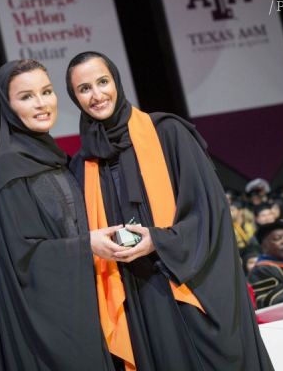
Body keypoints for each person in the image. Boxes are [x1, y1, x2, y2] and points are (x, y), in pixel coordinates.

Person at [66, 51, 272, 370]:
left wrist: (159, 240)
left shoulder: (168, 133)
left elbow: (209, 213)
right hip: (137, 299)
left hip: (186, 283)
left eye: (103, 82)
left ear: (117, 82)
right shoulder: (82, 164)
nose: (96, 95)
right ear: (75, 98)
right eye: (84, 89)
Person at [0, 59, 118, 371]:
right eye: (27, 96)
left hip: (84, 306)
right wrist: (86, 245)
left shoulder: (54, 158)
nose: (41, 103)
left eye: (46, 91)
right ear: (9, 105)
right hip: (51, 329)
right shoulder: (9, 168)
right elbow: (23, 257)